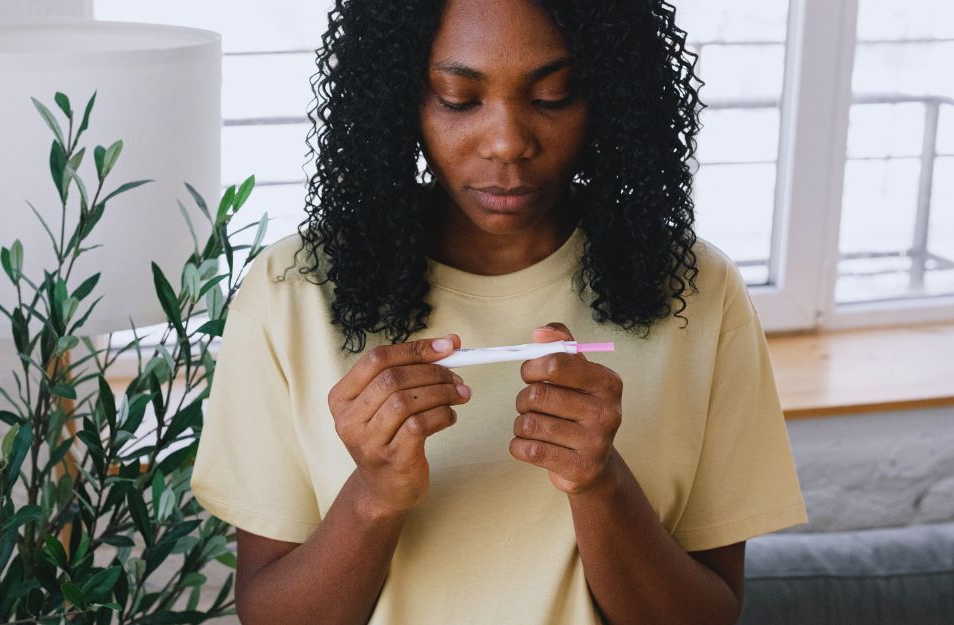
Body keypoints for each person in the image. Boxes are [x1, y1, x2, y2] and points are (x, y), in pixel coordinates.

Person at [191, 0, 808, 623]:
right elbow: (269, 614)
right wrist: (374, 495)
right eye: (459, 99)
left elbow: (709, 614)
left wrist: (600, 484)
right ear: (399, 98)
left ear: (611, 96)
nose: (508, 142)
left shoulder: (698, 291)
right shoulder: (291, 290)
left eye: (552, 96)